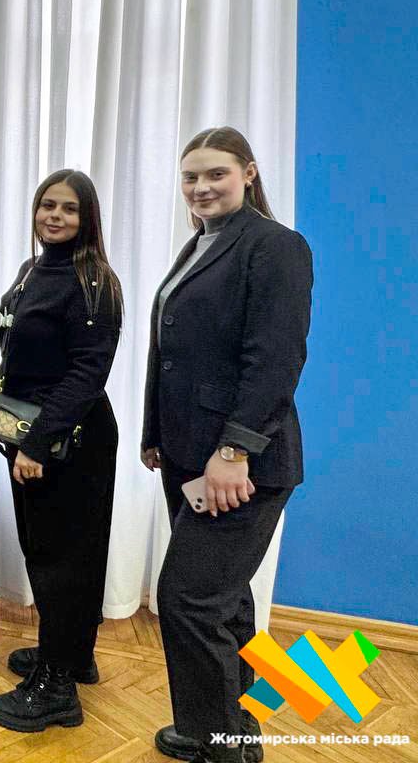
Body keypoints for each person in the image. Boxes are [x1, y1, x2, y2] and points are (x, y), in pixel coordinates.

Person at [144, 127, 312, 763]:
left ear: (249, 172)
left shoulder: (276, 246)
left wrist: (235, 450)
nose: (201, 187)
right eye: (190, 176)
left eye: (216, 173)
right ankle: (230, 728)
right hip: (189, 455)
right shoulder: (200, 244)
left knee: (188, 600)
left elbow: (275, 360)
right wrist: (156, 435)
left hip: (242, 462)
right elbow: (174, 351)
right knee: (224, 600)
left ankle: (217, 745)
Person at [0, 169, 122, 733]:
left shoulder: (95, 281)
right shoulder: (32, 269)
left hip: (69, 439)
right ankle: (72, 653)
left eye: (68, 208)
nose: (55, 216)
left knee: (59, 558)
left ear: (87, 218)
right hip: (35, 432)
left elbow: (88, 371)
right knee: (57, 551)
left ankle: (57, 689)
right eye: (47, 205)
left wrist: (38, 443)